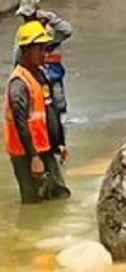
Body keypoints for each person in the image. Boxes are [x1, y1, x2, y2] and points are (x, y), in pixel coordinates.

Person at [5, 21, 71, 204]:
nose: (45, 53)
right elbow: (21, 122)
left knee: (60, 196)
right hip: (27, 155)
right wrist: (34, 157)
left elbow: (49, 110)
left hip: (46, 150)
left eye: (45, 48)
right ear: (26, 51)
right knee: (35, 204)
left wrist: (60, 143)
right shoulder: (19, 84)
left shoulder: (40, 74)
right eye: (40, 49)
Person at [11, 0, 73, 115]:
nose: (27, 19)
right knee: (39, 108)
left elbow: (67, 31)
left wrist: (51, 18)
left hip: (53, 75)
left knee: (59, 107)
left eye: (29, 16)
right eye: (24, 16)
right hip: (35, 77)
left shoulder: (50, 29)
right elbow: (17, 56)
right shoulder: (23, 32)